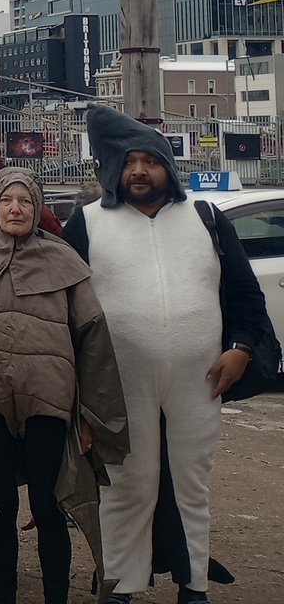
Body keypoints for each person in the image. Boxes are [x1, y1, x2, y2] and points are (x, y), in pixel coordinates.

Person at [62, 104, 278, 604]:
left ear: (168, 167)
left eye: (151, 161)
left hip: (199, 379)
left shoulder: (205, 219)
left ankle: (194, 585)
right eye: (129, 161)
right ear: (114, 167)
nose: (139, 171)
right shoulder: (88, 224)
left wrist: (242, 349)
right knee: (124, 484)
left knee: (191, 485)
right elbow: (64, 310)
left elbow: (246, 296)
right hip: (117, 382)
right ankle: (121, 583)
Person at [0, 167, 129, 604]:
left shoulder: (65, 262)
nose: (16, 208)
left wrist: (91, 415)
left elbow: (93, 339)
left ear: (38, 209)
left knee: (50, 507)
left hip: (49, 404)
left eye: (26, 201)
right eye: (8, 201)